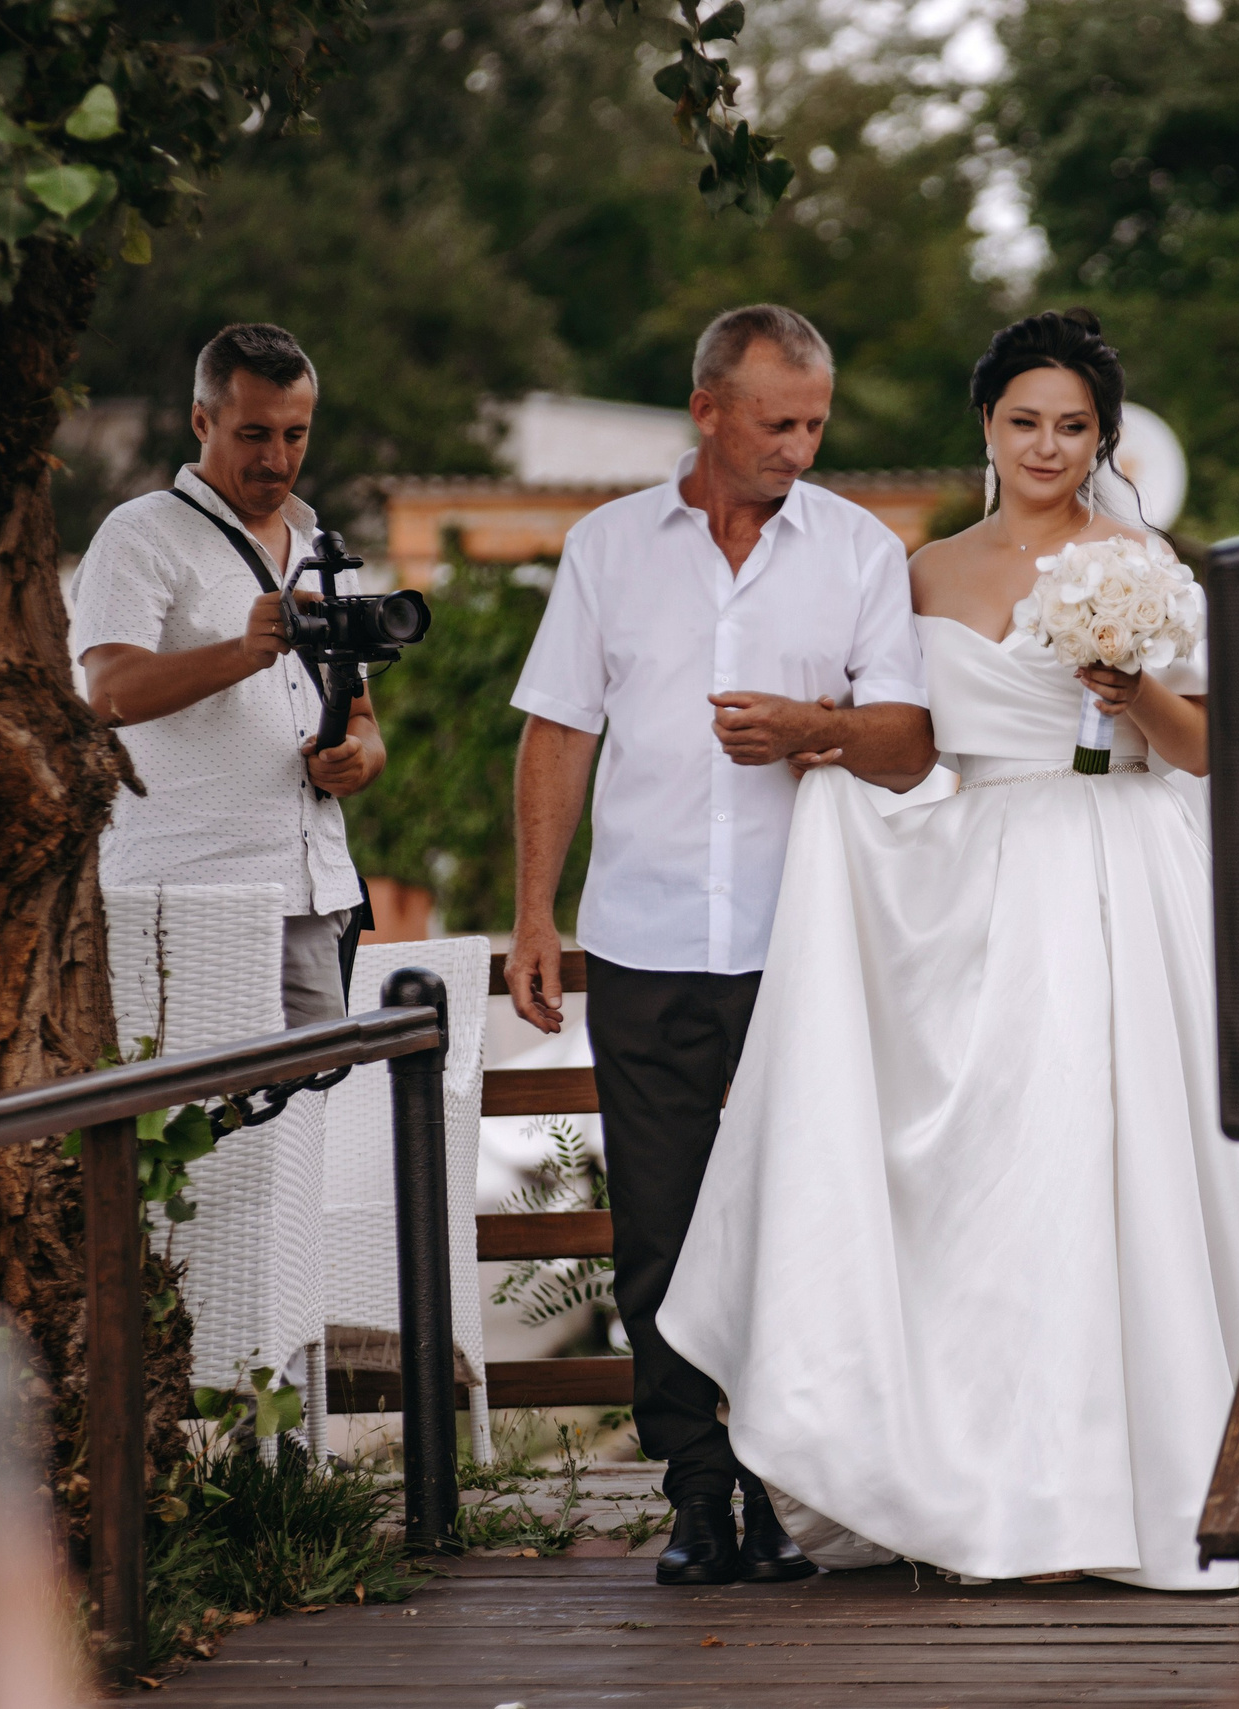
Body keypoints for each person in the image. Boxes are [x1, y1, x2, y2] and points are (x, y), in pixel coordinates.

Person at [655, 309, 1239, 1589]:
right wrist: (825, 749)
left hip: (1122, 877)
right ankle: (989, 1468)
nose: (1048, 445)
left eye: (1073, 425)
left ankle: (1149, 1465)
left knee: (1116, 1156)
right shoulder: (918, 572)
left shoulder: (1146, 561)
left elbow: (1207, 749)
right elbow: (908, 743)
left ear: (1103, 438)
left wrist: (1137, 692)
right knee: (1000, 1169)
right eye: (1026, 421)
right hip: (982, 875)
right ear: (988, 426)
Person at [502, 305, 938, 1587]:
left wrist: (816, 723)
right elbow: (557, 732)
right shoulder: (604, 549)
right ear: (706, 412)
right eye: (776, 422)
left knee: (803, 1218)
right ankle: (699, 1494)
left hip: (804, 947)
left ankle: (796, 1493)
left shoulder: (860, 550)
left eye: (815, 422)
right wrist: (536, 910)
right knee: (660, 1231)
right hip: (640, 939)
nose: (800, 446)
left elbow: (911, 743)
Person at [70, 323, 380, 1027]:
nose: (277, 459)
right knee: (195, 1129)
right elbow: (109, 691)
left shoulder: (318, 548)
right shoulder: (139, 531)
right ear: (201, 420)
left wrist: (357, 762)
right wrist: (243, 651)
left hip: (314, 899)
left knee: (309, 1123)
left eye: (295, 435)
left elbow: (365, 724)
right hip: (188, 900)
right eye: (254, 434)